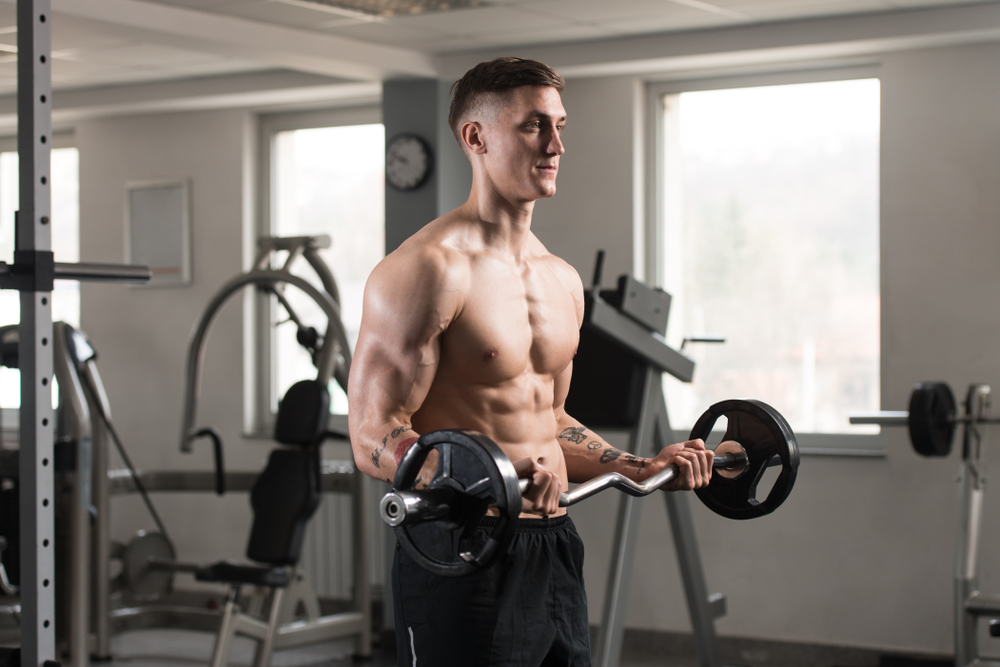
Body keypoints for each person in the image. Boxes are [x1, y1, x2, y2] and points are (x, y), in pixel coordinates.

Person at [348, 57, 714, 667]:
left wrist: (641, 464)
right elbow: (371, 435)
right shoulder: (425, 270)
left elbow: (552, 420)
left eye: (559, 126)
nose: (556, 145)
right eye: (533, 126)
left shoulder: (561, 281)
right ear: (476, 137)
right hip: (463, 545)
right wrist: (490, 478)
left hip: (553, 539)